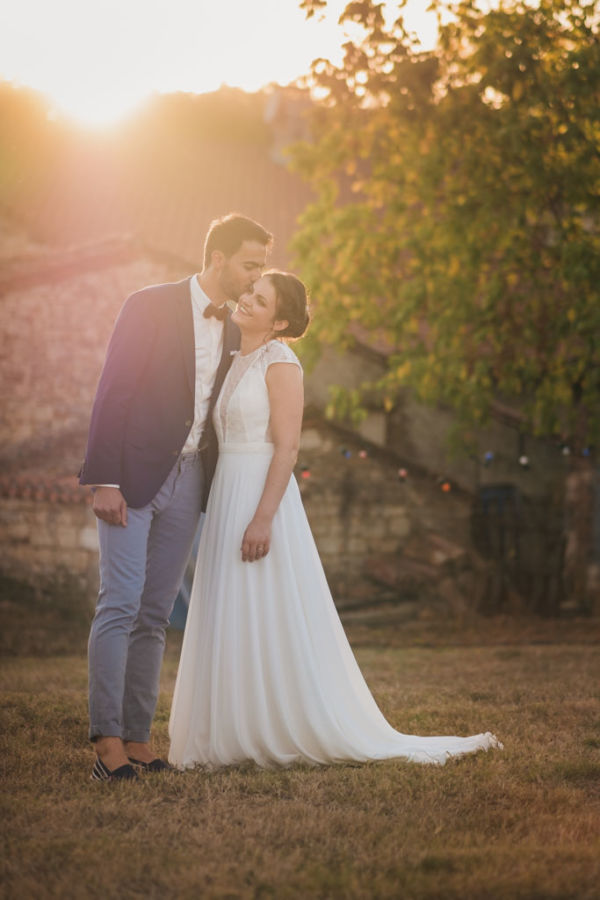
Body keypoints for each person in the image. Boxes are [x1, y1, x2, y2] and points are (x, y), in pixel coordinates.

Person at [168, 271, 502, 769]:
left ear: (279, 320)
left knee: (265, 606)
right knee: (227, 607)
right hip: (226, 494)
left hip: (261, 493)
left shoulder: (282, 363)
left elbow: (288, 447)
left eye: (259, 300)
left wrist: (262, 519)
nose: (246, 300)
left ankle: (275, 723)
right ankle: (227, 728)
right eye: (250, 293)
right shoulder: (234, 359)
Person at [79, 213, 273, 781]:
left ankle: (139, 738)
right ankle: (106, 743)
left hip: (191, 481)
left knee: (156, 613)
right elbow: (112, 390)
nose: (255, 276)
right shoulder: (148, 305)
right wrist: (104, 478)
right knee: (120, 601)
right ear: (218, 259)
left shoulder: (239, 326)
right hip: (132, 476)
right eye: (250, 264)